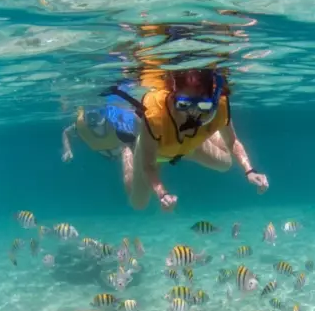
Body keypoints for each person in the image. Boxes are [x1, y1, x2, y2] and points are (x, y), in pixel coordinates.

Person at [104, 68, 268, 211]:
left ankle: (202, 135)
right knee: (138, 202)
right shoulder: (156, 115)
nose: (193, 113)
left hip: (189, 146)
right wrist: (162, 194)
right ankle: (127, 148)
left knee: (225, 164)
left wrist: (249, 170)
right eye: (184, 105)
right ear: (173, 95)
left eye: (203, 106)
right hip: (156, 150)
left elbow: (232, 142)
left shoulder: (219, 106)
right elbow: (148, 166)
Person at [61, 85, 139, 193]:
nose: (93, 118)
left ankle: (134, 197)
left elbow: (134, 132)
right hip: (105, 154)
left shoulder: (113, 122)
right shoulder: (81, 126)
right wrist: (67, 149)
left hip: (121, 150)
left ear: (103, 113)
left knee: (128, 177)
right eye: (89, 115)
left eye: (97, 114)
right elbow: (66, 132)